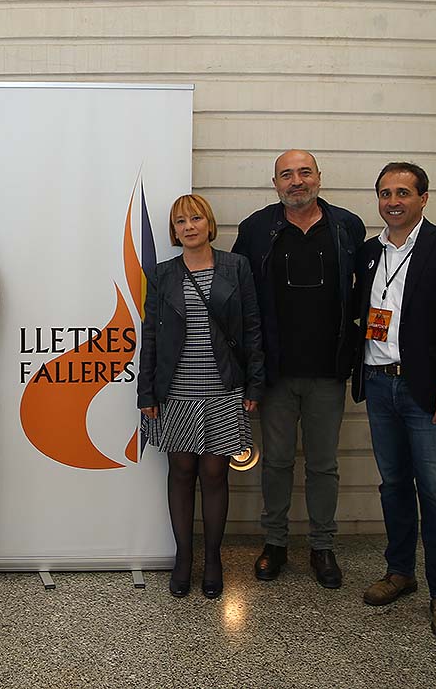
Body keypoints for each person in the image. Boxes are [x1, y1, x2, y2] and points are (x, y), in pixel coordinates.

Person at [352, 161, 436, 642]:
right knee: (393, 484)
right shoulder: (369, 253)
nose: (393, 201)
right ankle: (400, 572)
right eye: (385, 193)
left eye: (403, 192)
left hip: (428, 391)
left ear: (423, 198)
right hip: (378, 383)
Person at [232, 150, 365, 588]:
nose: (296, 181)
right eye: (286, 174)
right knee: (277, 462)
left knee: (324, 464)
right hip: (276, 372)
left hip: (329, 369)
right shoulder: (255, 229)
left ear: (319, 179)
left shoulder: (347, 227)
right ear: (275, 184)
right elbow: (238, 297)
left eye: (304, 172)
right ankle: (275, 543)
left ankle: (323, 546)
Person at [137, 194, 263, 599]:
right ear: (173, 232)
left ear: (209, 223)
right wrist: (146, 391)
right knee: (181, 473)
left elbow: (252, 328)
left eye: (195, 218)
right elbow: (151, 336)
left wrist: (255, 384)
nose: (188, 226)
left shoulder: (235, 266)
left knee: (215, 474)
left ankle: (212, 558)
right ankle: (183, 557)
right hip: (175, 391)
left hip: (224, 387)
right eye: (179, 222)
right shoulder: (162, 273)